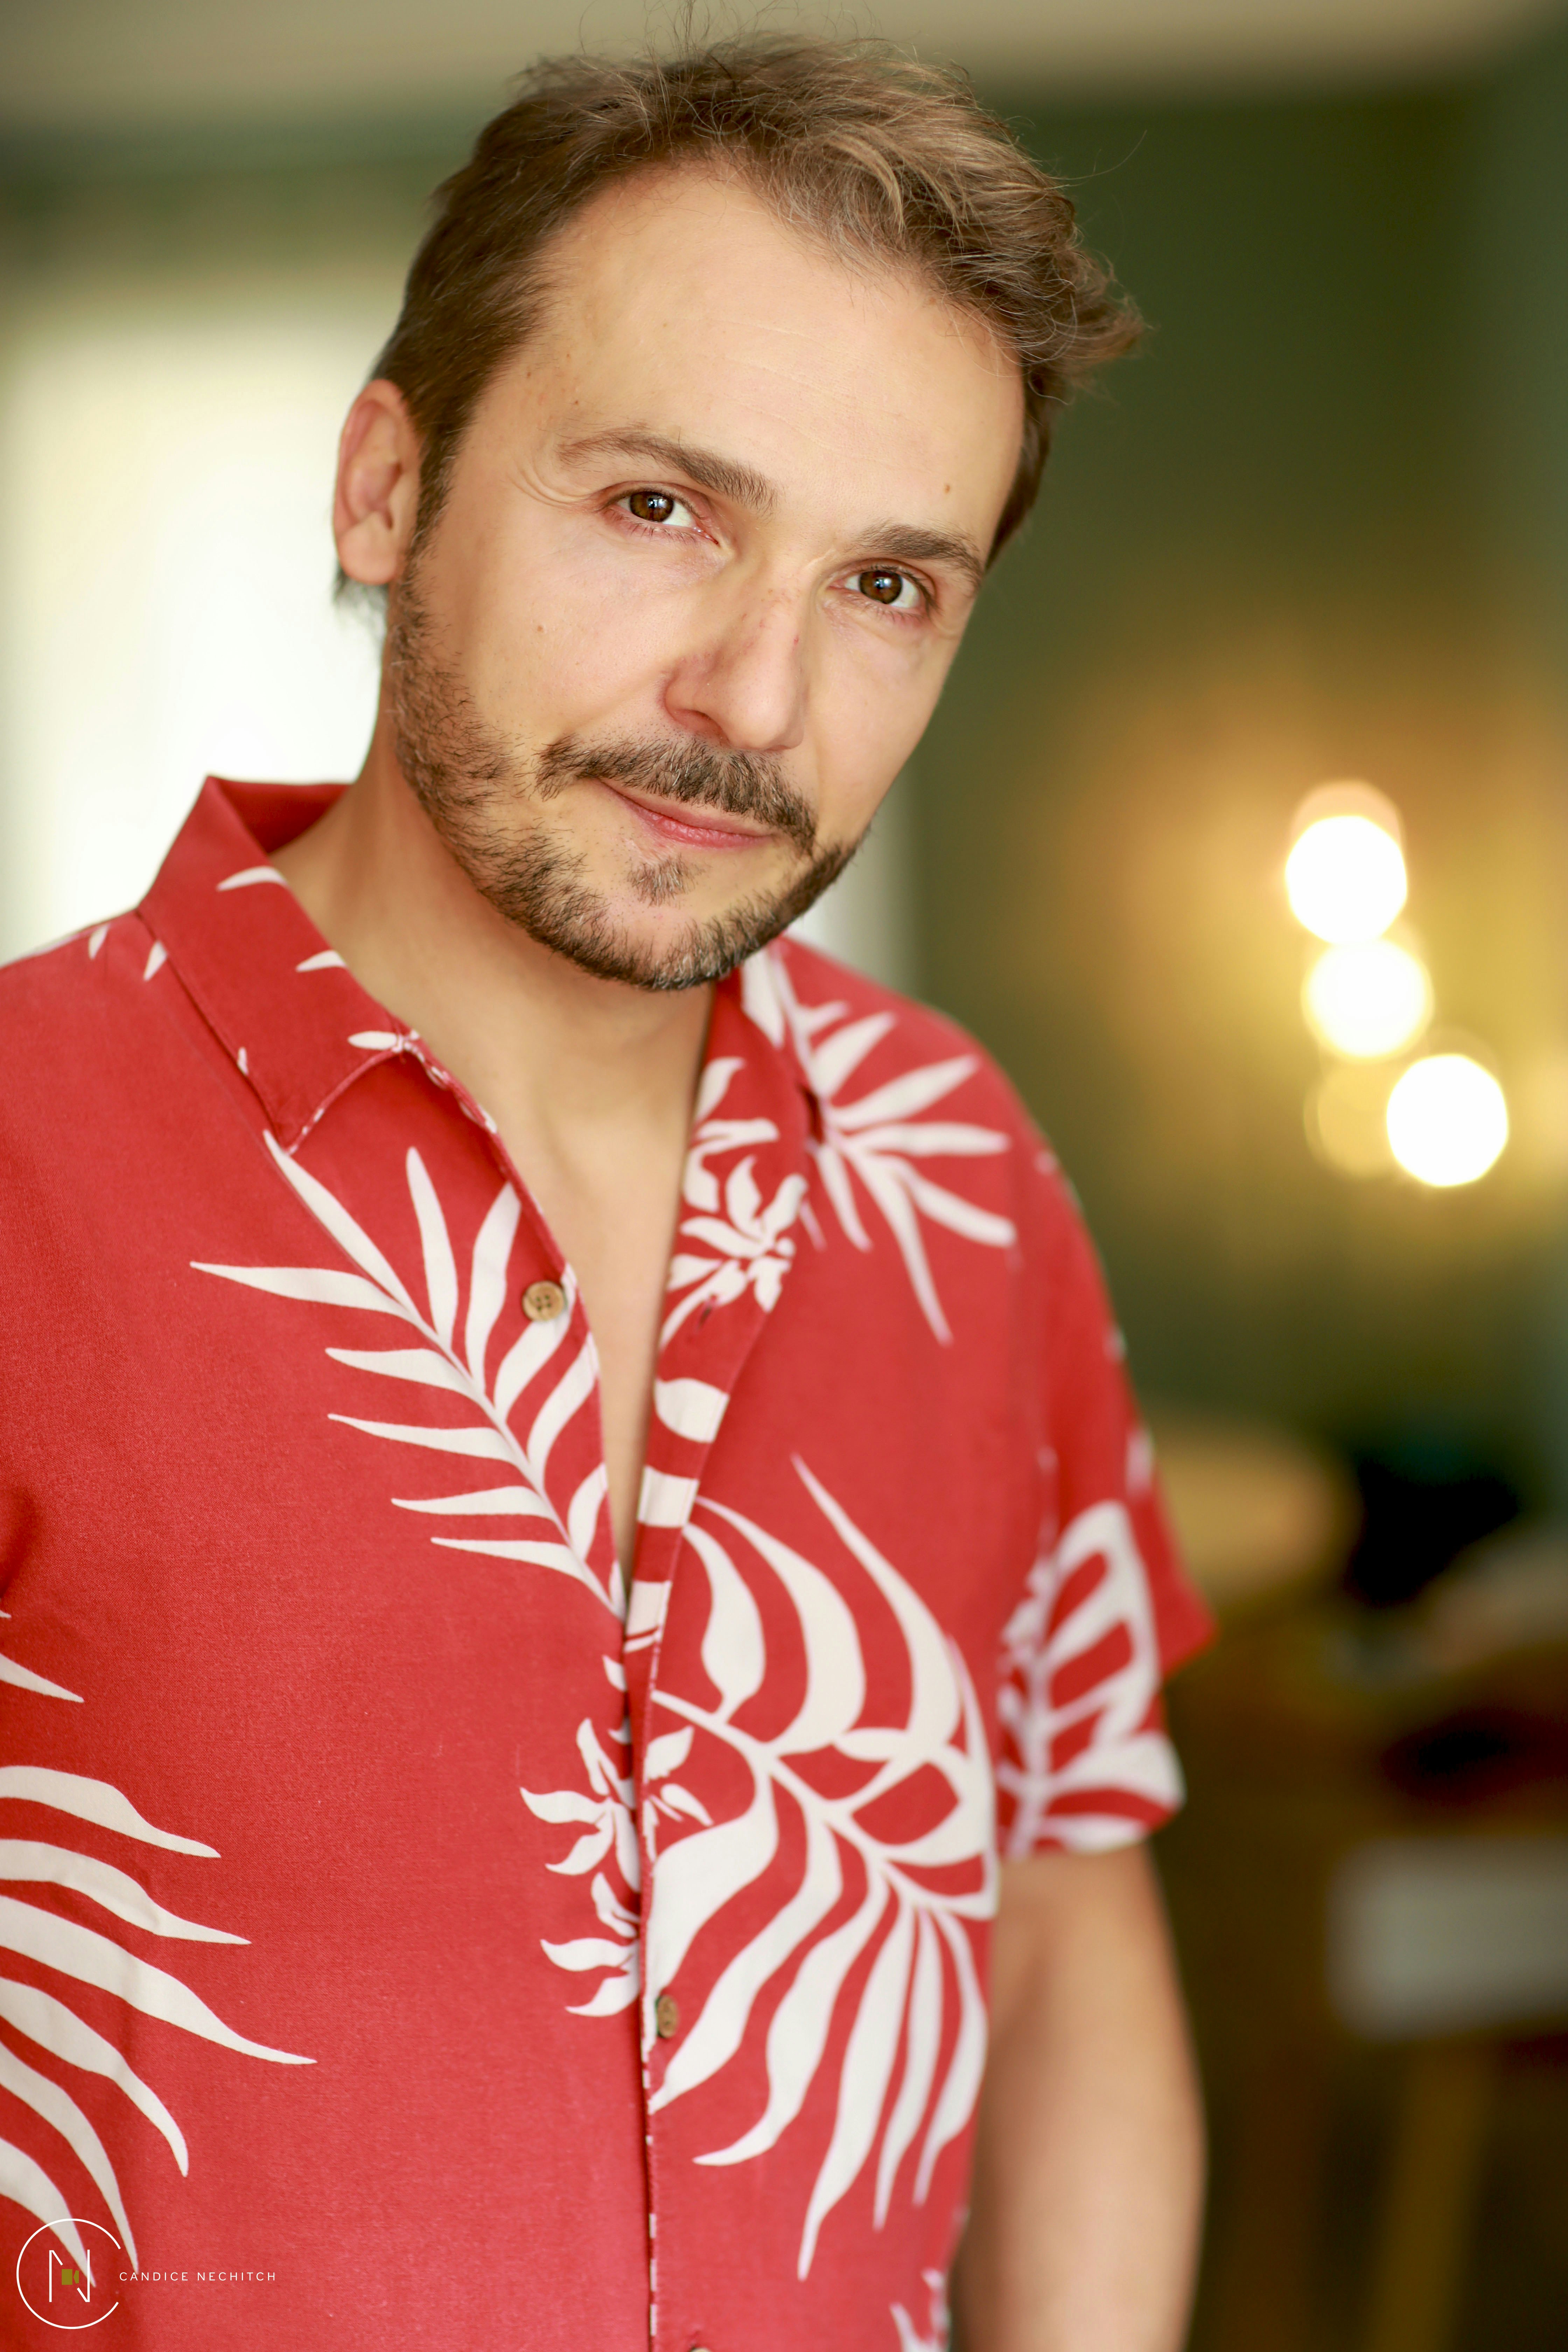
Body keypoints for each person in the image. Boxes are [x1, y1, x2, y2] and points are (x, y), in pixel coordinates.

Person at [0, 38, 1211, 2352]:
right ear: (388, 487)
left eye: (887, 582)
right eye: (660, 506)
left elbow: (1061, 1913)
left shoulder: (966, 1171)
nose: (757, 692)